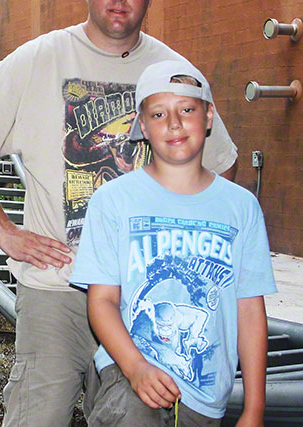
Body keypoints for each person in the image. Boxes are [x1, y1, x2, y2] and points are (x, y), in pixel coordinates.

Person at [0, 0, 238, 426]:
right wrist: (4, 231)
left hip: (143, 303)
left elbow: (224, 169)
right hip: (58, 291)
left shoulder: (175, 73)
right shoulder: (40, 59)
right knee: (37, 416)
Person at [70, 59, 276, 426]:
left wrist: (254, 408)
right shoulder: (114, 200)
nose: (175, 124)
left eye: (186, 109)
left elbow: (249, 309)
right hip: (128, 376)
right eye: (159, 114)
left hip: (205, 398)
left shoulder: (241, 207)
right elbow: (101, 300)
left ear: (209, 116)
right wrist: (135, 368)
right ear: (142, 126)